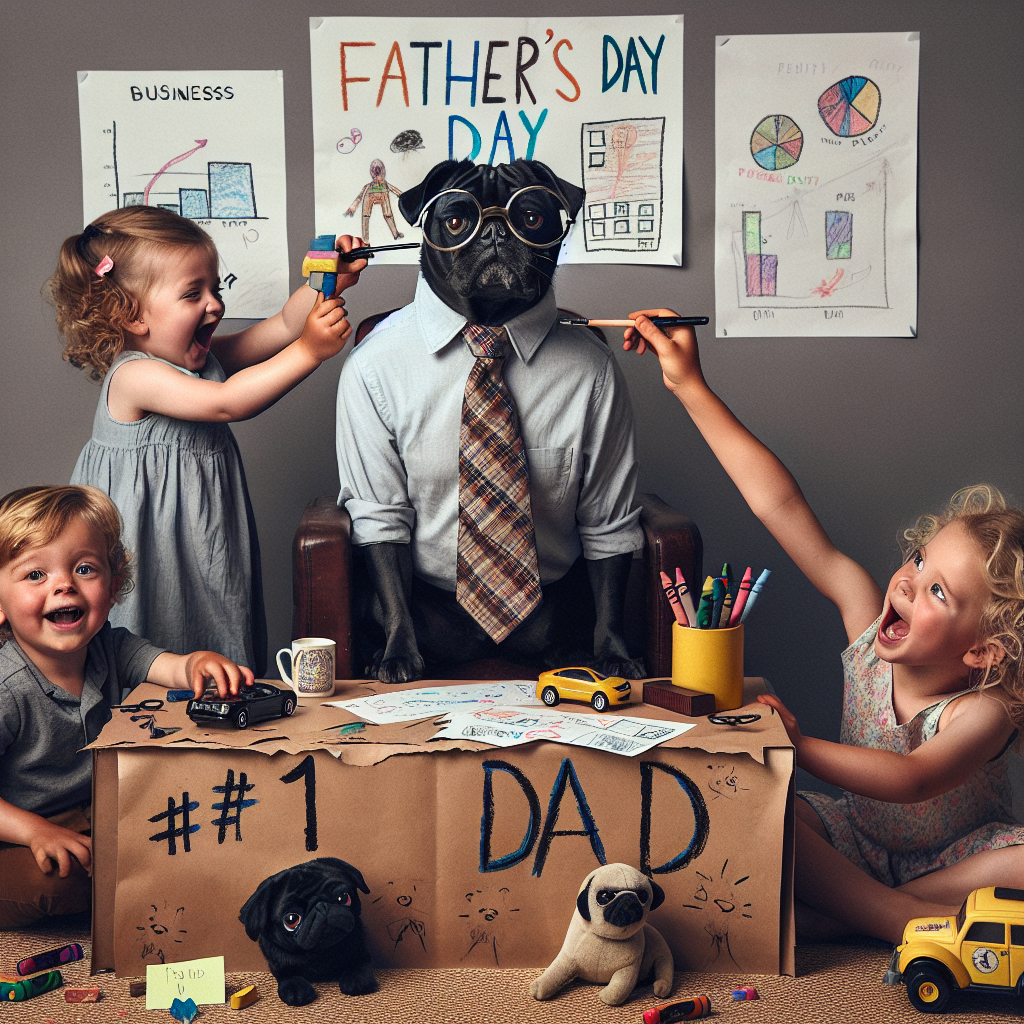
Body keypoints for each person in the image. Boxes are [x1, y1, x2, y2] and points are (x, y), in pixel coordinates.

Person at [624, 309, 1024, 944]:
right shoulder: (868, 623)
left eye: (938, 592)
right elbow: (780, 504)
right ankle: (890, 915)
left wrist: (801, 746)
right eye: (920, 562)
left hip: (956, 860)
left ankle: (873, 914)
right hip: (853, 842)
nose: (908, 582)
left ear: (983, 651)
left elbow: (913, 780)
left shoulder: (985, 710)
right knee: (761, 812)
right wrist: (689, 386)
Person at [49, 207, 365, 674]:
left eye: (215, 288)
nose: (215, 304)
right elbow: (228, 403)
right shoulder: (134, 376)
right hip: (152, 547)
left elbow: (279, 327)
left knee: (213, 625)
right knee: (154, 636)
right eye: (193, 293)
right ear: (131, 315)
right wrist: (309, 352)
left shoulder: (199, 359)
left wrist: (325, 285)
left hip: (200, 540)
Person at [0, 485, 254, 929]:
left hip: (92, 815)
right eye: (35, 575)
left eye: (84, 569)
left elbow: (166, 666)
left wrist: (197, 662)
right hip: (15, 834)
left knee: (182, 837)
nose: (63, 584)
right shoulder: (8, 689)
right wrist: (36, 832)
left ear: (114, 586)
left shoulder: (110, 648)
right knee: (61, 883)